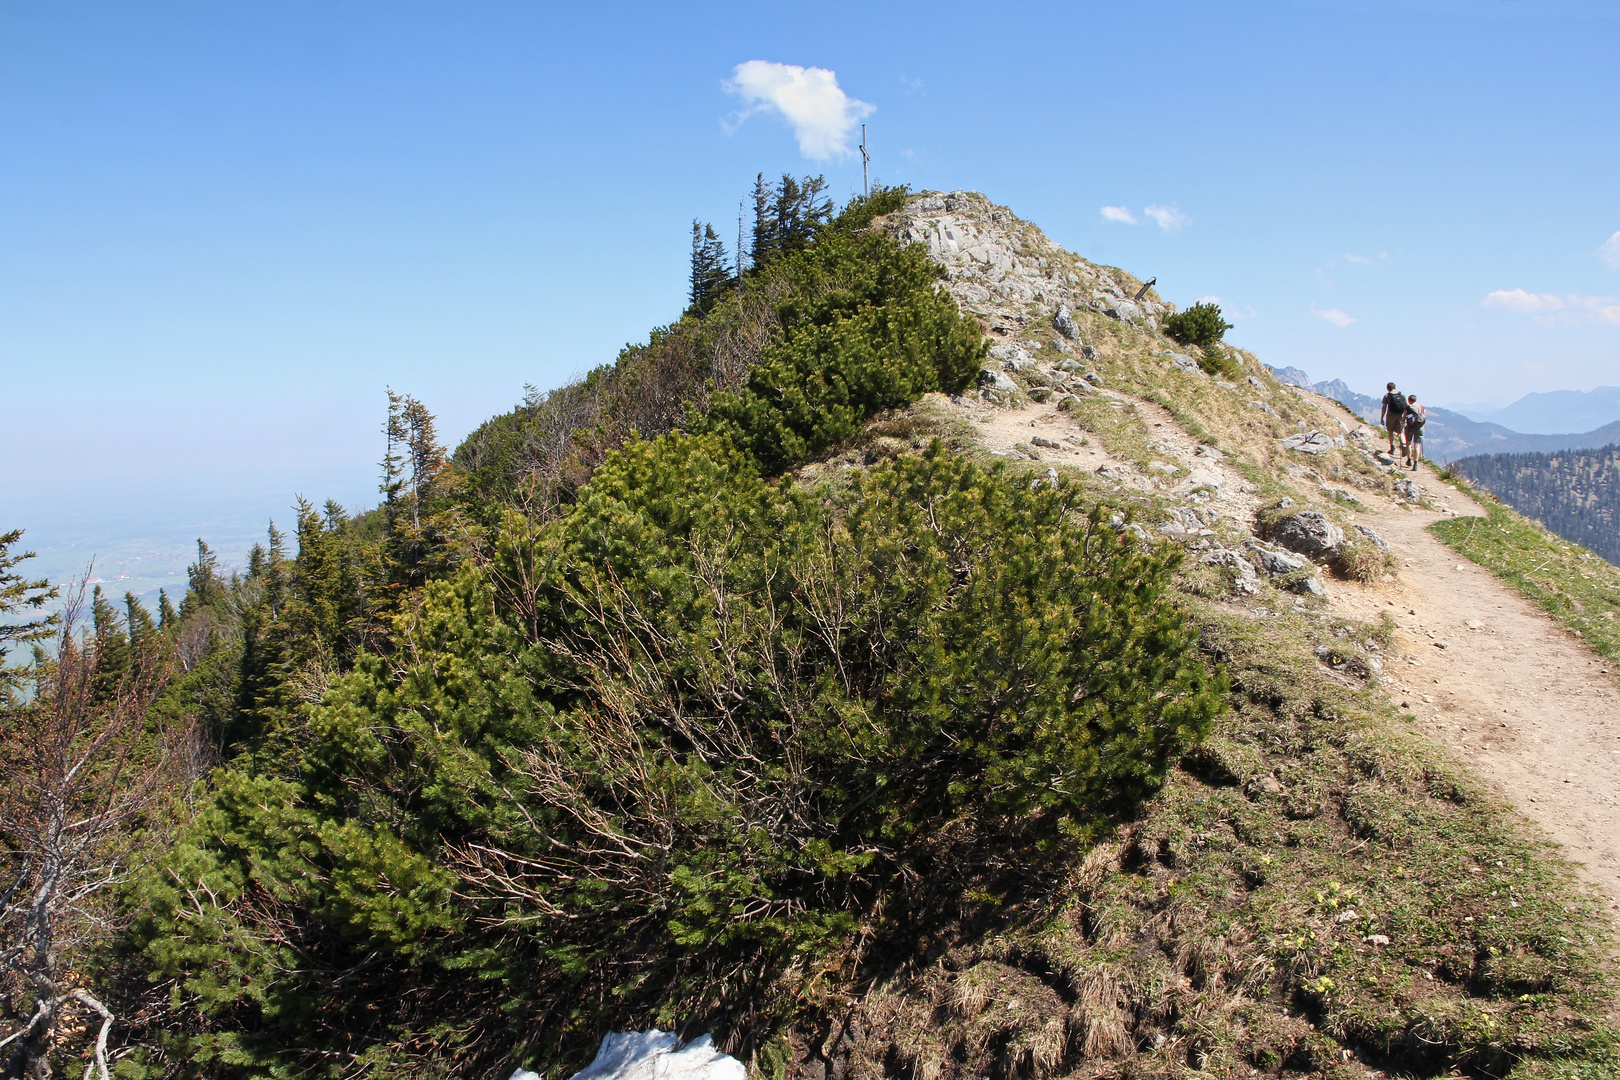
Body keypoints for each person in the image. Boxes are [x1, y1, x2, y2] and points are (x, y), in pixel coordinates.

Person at [1379, 382, 1408, 456]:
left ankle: (1392, 447)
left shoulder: (1387, 395)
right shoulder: (1402, 394)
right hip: (1400, 415)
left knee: (1390, 431)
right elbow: (1406, 406)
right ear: (1395, 387)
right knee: (1401, 431)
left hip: (1391, 415)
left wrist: (1382, 417)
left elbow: (1384, 407)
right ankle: (1404, 444)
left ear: (1388, 388)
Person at [1403, 394, 1427, 469]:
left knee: (1408, 443)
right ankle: (1415, 464)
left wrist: (1402, 424)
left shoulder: (1408, 408)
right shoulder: (1422, 408)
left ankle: (1409, 459)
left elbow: (1404, 417)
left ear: (1409, 400)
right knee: (1417, 445)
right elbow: (1424, 417)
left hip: (1410, 427)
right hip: (1420, 427)